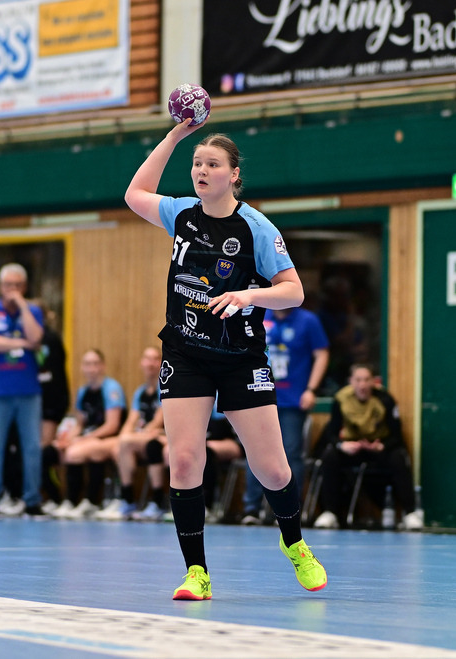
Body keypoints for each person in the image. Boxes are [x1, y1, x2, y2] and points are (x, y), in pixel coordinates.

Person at [124, 118, 327, 600]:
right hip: (185, 351)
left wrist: (248, 295)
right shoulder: (180, 215)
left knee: (274, 470)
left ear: (233, 174)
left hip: (240, 356)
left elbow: (293, 292)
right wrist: (174, 137)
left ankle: (295, 543)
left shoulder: (256, 227)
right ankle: (197, 572)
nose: (201, 170)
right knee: (186, 459)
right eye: (197, 163)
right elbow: (135, 194)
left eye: (212, 164)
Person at [241, 306, 329, 525]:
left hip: (292, 400)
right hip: (260, 397)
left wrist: (311, 389)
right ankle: (251, 508)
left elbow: (321, 354)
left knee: (291, 452)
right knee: (255, 451)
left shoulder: (308, 320)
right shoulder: (260, 315)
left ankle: (288, 509)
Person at [312, 363, 421, 531]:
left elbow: (396, 435)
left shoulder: (385, 399)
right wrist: (342, 445)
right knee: (330, 456)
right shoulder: (341, 399)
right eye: (358, 380)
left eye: (366, 380)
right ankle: (330, 512)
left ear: (374, 382)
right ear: (351, 382)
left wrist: (381, 446)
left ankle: (410, 513)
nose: (362, 385)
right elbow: (331, 434)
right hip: (353, 448)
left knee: (398, 457)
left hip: (378, 448)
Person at [0, 263, 47, 519]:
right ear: (0, 287)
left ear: (24, 287)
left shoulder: (34, 311)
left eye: (17, 285)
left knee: (31, 447)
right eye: (8, 285)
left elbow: (36, 337)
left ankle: (32, 500)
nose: (12, 290)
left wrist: (23, 306)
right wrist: (21, 343)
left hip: (28, 391)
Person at [53, 348, 126, 519]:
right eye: (87, 364)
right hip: (91, 438)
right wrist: (69, 438)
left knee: (77, 452)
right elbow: (80, 423)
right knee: (64, 449)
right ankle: (73, 501)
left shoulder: (111, 388)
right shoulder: (83, 392)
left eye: (95, 363)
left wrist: (84, 439)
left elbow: (112, 425)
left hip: (110, 438)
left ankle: (89, 501)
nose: (91, 368)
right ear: (82, 367)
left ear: (102, 366)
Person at [96, 347, 166, 521]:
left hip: (163, 438)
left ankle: (156, 502)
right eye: (147, 359)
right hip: (143, 439)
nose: (150, 363)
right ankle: (127, 501)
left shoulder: (165, 388)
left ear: (161, 363)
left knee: (145, 445)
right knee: (123, 442)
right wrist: (126, 436)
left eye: (155, 359)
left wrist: (131, 436)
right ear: (141, 363)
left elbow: (156, 423)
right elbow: (129, 423)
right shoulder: (140, 392)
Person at [36, 306, 70, 512]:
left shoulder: (50, 340)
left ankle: (54, 497)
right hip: (37, 402)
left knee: (45, 451)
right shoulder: (30, 340)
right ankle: (45, 496)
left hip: (51, 402)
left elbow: (53, 375)